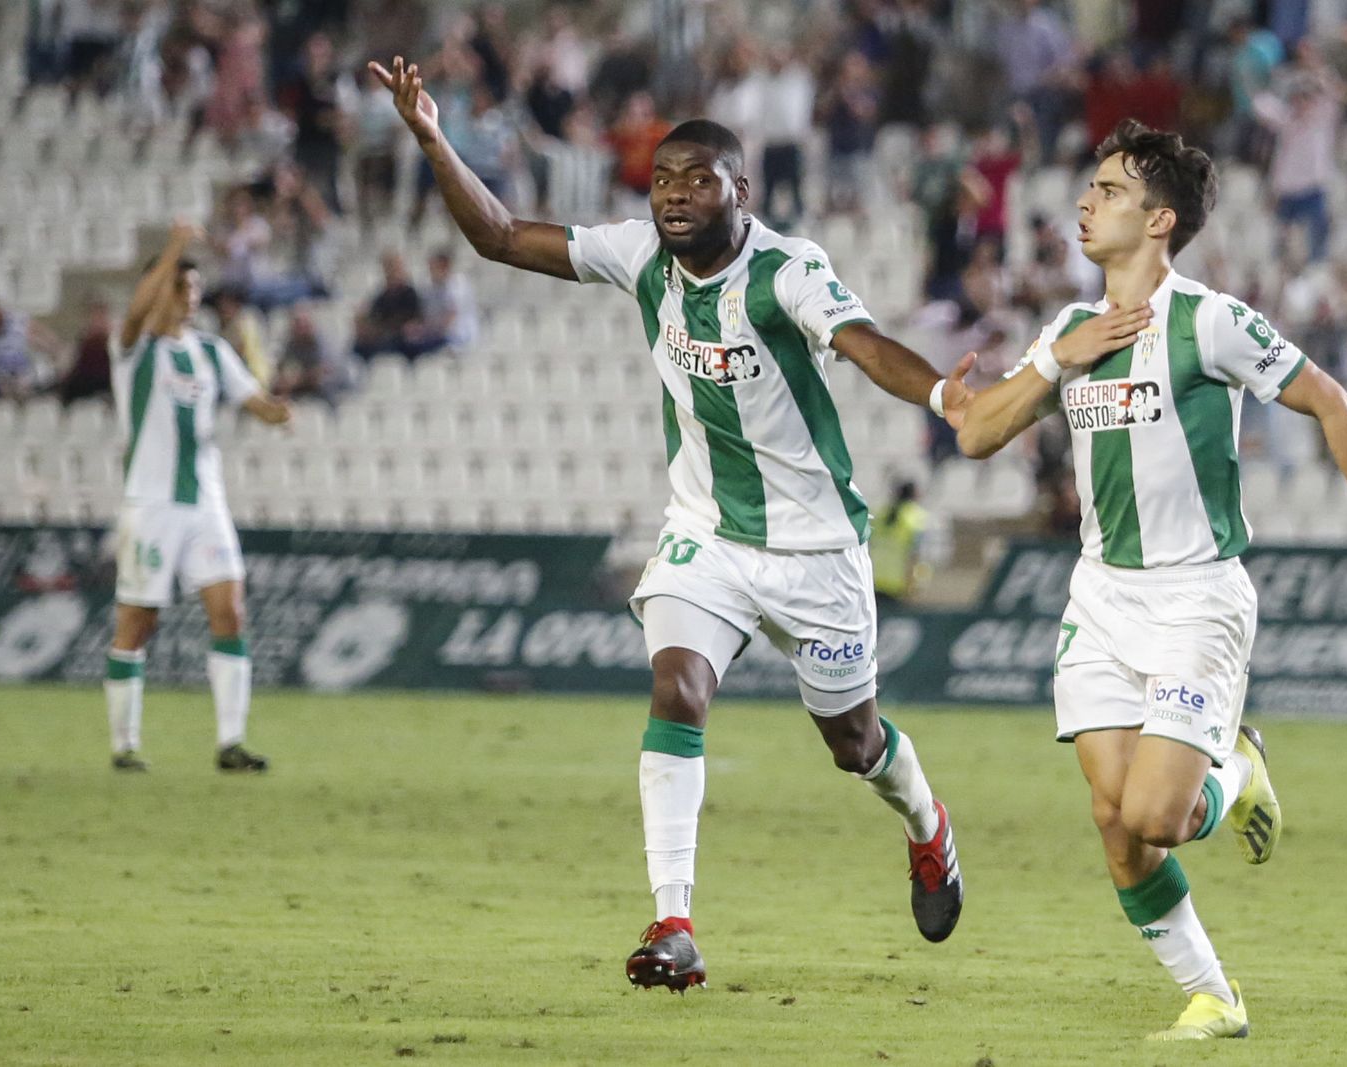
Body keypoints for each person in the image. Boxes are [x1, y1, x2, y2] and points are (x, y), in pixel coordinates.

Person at [373, 55, 977, 991]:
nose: (675, 195)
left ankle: (928, 827)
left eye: (699, 179)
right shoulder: (639, 255)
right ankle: (674, 921)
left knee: (856, 747)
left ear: (742, 191)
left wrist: (940, 393)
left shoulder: (786, 270)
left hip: (815, 549)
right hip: (706, 534)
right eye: (661, 179)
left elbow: (860, 345)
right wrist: (433, 139)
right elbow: (499, 235)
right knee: (678, 687)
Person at [957, 120, 1347, 1040]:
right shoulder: (1068, 331)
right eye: (1090, 187)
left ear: (1160, 220)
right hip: (1100, 598)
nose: (1085, 202)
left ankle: (1238, 768)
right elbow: (978, 434)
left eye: (1109, 190)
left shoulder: (1208, 320)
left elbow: (1333, 402)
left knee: (1158, 815)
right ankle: (1214, 996)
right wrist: (1059, 357)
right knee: (1114, 819)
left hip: (1195, 600)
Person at [106, 221, 291, 774]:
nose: (192, 297)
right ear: (159, 288)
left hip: (206, 504)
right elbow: (135, 314)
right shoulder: (134, 350)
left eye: (196, 289)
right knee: (138, 623)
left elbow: (252, 399)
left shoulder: (211, 351)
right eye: (182, 287)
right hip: (151, 506)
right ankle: (124, 745)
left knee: (230, 611)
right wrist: (174, 247)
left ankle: (231, 742)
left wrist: (275, 413)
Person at [869, 480, 928, 610]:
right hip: (897, 584)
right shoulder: (916, 518)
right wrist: (914, 584)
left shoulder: (880, 514)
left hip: (873, 579)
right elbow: (915, 555)